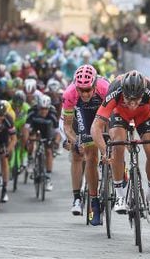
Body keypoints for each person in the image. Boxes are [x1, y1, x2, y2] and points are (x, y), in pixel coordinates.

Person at [91, 70, 150, 224]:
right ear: (123, 92)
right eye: (129, 99)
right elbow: (96, 127)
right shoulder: (115, 90)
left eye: (136, 99)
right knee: (118, 145)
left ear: (143, 93)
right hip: (119, 114)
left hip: (144, 115)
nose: (132, 104)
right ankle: (120, 195)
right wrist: (104, 151)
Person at [62, 65, 109, 223]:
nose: (84, 93)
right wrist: (76, 141)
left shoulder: (105, 88)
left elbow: (115, 118)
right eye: (81, 90)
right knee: (88, 156)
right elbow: (67, 126)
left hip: (102, 114)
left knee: (113, 143)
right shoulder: (70, 94)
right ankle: (85, 200)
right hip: (82, 115)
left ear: (95, 84)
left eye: (88, 89)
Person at [23, 95, 60, 192]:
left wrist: (56, 141)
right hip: (34, 127)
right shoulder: (32, 112)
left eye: (46, 109)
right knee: (31, 139)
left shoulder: (52, 114)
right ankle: (30, 159)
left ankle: (48, 178)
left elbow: (58, 131)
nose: (44, 111)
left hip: (47, 129)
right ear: (38, 107)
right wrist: (26, 141)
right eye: (42, 109)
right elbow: (26, 129)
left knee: (48, 151)